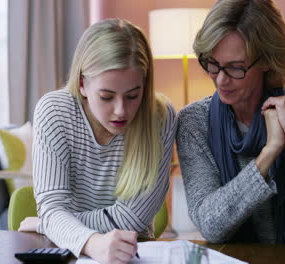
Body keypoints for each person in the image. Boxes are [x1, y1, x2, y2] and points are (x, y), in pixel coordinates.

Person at [176, 0, 285, 244]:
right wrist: (269, 152)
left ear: (267, 60)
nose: (221, 80)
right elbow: (210, 225)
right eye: (212, 64)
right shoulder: (194, 122)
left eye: (235, 68)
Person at [20, 19, 177, 263]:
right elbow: (53, 208)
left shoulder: (160, 117)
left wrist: (47, 223)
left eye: (133, 96)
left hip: (133, 254)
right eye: (106, 96)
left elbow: (131, 220)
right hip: (69, 254)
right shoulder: (55, 112)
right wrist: (92, 244)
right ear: (82, 84)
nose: (121, 111)